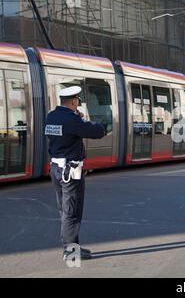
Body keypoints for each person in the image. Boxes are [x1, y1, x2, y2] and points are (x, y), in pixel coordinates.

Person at [45, 86, 106, 261]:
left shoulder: (52, 116)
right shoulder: (71, 120)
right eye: (77, 101)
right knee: (72, 211)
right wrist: (90, 122)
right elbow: (97, 132)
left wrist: (76, 119)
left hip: (56, 168)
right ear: (73, 101)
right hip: (70, 171)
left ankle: (73, 247)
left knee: (65, 210)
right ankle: (70, 252)